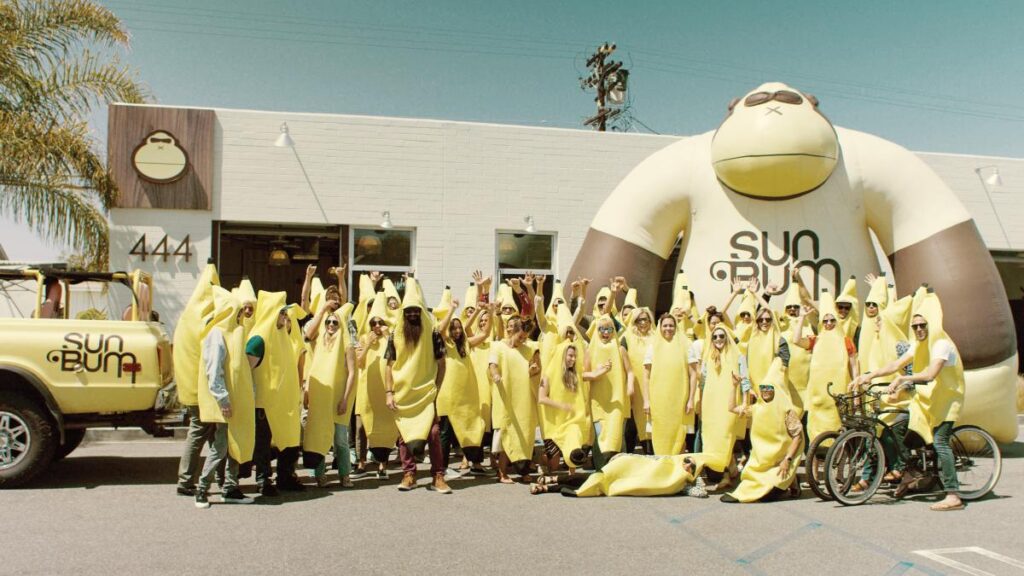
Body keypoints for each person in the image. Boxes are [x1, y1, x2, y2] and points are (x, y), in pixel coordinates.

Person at [849, 287, 965, 511]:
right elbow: (895, 364)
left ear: (932, 324)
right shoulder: (917, 344)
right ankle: (912, 472)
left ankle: (953, 494)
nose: (919, 329)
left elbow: (930, 374)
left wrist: (903, 379)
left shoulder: (941, 344)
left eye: (923, 325)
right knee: (901, 429)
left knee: (940, 441)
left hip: (947, 401)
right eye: (915, 326)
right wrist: (869, 376)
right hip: (927, 400)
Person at [384, 277, 450, 493]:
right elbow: (389, 365)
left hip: (426, 394)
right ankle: (409, 474)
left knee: (434, 433)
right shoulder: (394, 333)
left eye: (416, 310)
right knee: (404, 435)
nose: (412, 314)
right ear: (403, 312)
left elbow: (442, 364)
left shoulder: (433, 333)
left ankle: (438, 476)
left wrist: (436, 389)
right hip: (402, 393)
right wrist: (389, 392)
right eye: (408, 311)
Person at [194, 287, 256, 508]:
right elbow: (214, 370)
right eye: (238, 311)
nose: (242, 315)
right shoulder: (217, 333)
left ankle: (231, 488)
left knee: (235, 445)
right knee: (220, 447)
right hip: (227, 403)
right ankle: (202, 489)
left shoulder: (236, 332)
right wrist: (223, 399)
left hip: (237, 402)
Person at [722, 358, 803, 503]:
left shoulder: (787, 411)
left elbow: (798, 437)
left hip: (780, 461)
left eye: (769, 387)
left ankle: (793, 481)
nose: (765, 390)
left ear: (776, 390)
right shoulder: (757, 408)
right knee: (756, 490)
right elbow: (732, 408)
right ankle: (789, 481)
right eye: (763, 387)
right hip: (761, 463)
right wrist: (734, 386)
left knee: (768, 495)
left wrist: (787, 460)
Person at [247, 291, 304, 495]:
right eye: (282, 312)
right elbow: (246, 370)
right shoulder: (258, 339)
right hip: (264, 403)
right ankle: (263, 481)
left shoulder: (282, 335)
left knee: (289, 440)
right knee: (263, 445)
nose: (285, 317)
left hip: (284, 402)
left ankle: (285, 477)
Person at [302, 293, 357, 488]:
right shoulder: (319, 340)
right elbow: (308, 335)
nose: (331, 325)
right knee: (318, 436)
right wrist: (324, 309)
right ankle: (319, 474)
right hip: (320, 396)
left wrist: (345, 399)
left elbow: (352, 373)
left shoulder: (347, 344)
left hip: (338, 398)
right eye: (328, 322)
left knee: (340, 440)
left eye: (335, 322)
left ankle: (344, 474)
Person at [174, 263, 219, 497]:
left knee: (206, 433)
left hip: (188, 386)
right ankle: (186, 480)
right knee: (201, 432)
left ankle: (213, 478)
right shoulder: (207, 319)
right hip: (202, 389)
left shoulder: (186, 318)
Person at [792, 289, 858, 443]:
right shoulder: (816, 340)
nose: (829, 324)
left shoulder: (846, 341)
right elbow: (796, 340)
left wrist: (855, 393)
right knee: (816, 433)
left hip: (838, 396)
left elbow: (855, 368)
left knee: (838, 432)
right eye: (825, 321)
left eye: (832, 320)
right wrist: (802, 318)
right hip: (818, 396)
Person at [436, 298, 492, 476]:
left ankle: (476, 464)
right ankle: (442, 468)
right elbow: (441, 330)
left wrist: (489, 312)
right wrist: (452, 309)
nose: (458, 331)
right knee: (445, 433)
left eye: (459, 328)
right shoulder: (447, 344)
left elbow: (485, 334)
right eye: (454, 328)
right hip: (447, 397)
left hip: (466, 397)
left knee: (472, 427)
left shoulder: (466, 344)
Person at [489, 314, 541, 484]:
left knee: (524, 435)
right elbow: (492, 365)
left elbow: (533, 369)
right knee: (507, 434)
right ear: (513, 332)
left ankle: (524, 471)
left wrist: (533, 371)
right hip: (506, 397)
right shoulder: (498, 346)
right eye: (520, 337)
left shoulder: (528, 349)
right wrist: (496, 375)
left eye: (525, 338)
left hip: (524, 400)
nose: (523, 340)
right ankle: (502, 472)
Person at [355, 295, 399, 480]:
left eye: (380, 322)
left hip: (385, 390)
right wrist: (367, 345)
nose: (377, 326)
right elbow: (358, 362)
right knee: (361, 427)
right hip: (365, 390)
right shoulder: (364, 338)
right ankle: (361, 462)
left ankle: (382, 464)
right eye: (373, 323)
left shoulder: (392, 338)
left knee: (385, 426)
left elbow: (398, 358)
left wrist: (388, 336)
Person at [532, 453, 706, 498]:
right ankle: (552, 480)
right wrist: (623, 456)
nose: (687, 465)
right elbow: (644, 459)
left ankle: (547, 487)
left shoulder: (683, 484)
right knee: (595, 477)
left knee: (594, 484)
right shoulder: (668, 461)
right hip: (626, 471)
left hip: (624, 484)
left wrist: (695, 477)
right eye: (686, 461)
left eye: (691, 466)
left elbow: (701, 492)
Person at [697, 325, 745, 490]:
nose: (718, 339)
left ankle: (725, 475)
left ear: (727, 338)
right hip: (710, 403)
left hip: (729, 403)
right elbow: (702, 382)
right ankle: (731, 468)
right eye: (715, 337)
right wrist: (699, 402)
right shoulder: (708, 357)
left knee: (726, 435)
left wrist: (745, 402)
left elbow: (745, 379)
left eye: (721, 336)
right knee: (714, 437)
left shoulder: (738, 355)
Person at [644, 314, 694, 455]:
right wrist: (646, 400)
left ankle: (676, 466)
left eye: (671, 325)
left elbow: (693, 374)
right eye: (665, 325)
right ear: (660, 327)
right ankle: (663, 464)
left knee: (680, 435)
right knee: (660, 433)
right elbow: (646, 376)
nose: (668, 328)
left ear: (676, 327)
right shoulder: (652, 347)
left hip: (680, 400)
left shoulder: (686, 345)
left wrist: (691, 399)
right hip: (658, 401)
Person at [585, 315, 630, 466]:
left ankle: (620, 470)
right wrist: (596, 373)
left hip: (618, 401)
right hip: (598, 402)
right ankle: (601, 470)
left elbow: (630, 371)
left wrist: (630, 386)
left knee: (618, 437)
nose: (606, 332)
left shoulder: (620, 349)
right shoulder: (589, 350)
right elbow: (583, 375)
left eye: (609, 329)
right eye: (602, 329)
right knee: (600, 437)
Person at [620, 306, 654, 454]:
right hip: (634, 388)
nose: (642, 323)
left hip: (653, 387)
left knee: (650, 425)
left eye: (645, 319)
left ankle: (651, 456)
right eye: (639, 320)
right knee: (632, 427)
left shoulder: (657, 337)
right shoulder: (626, 338)